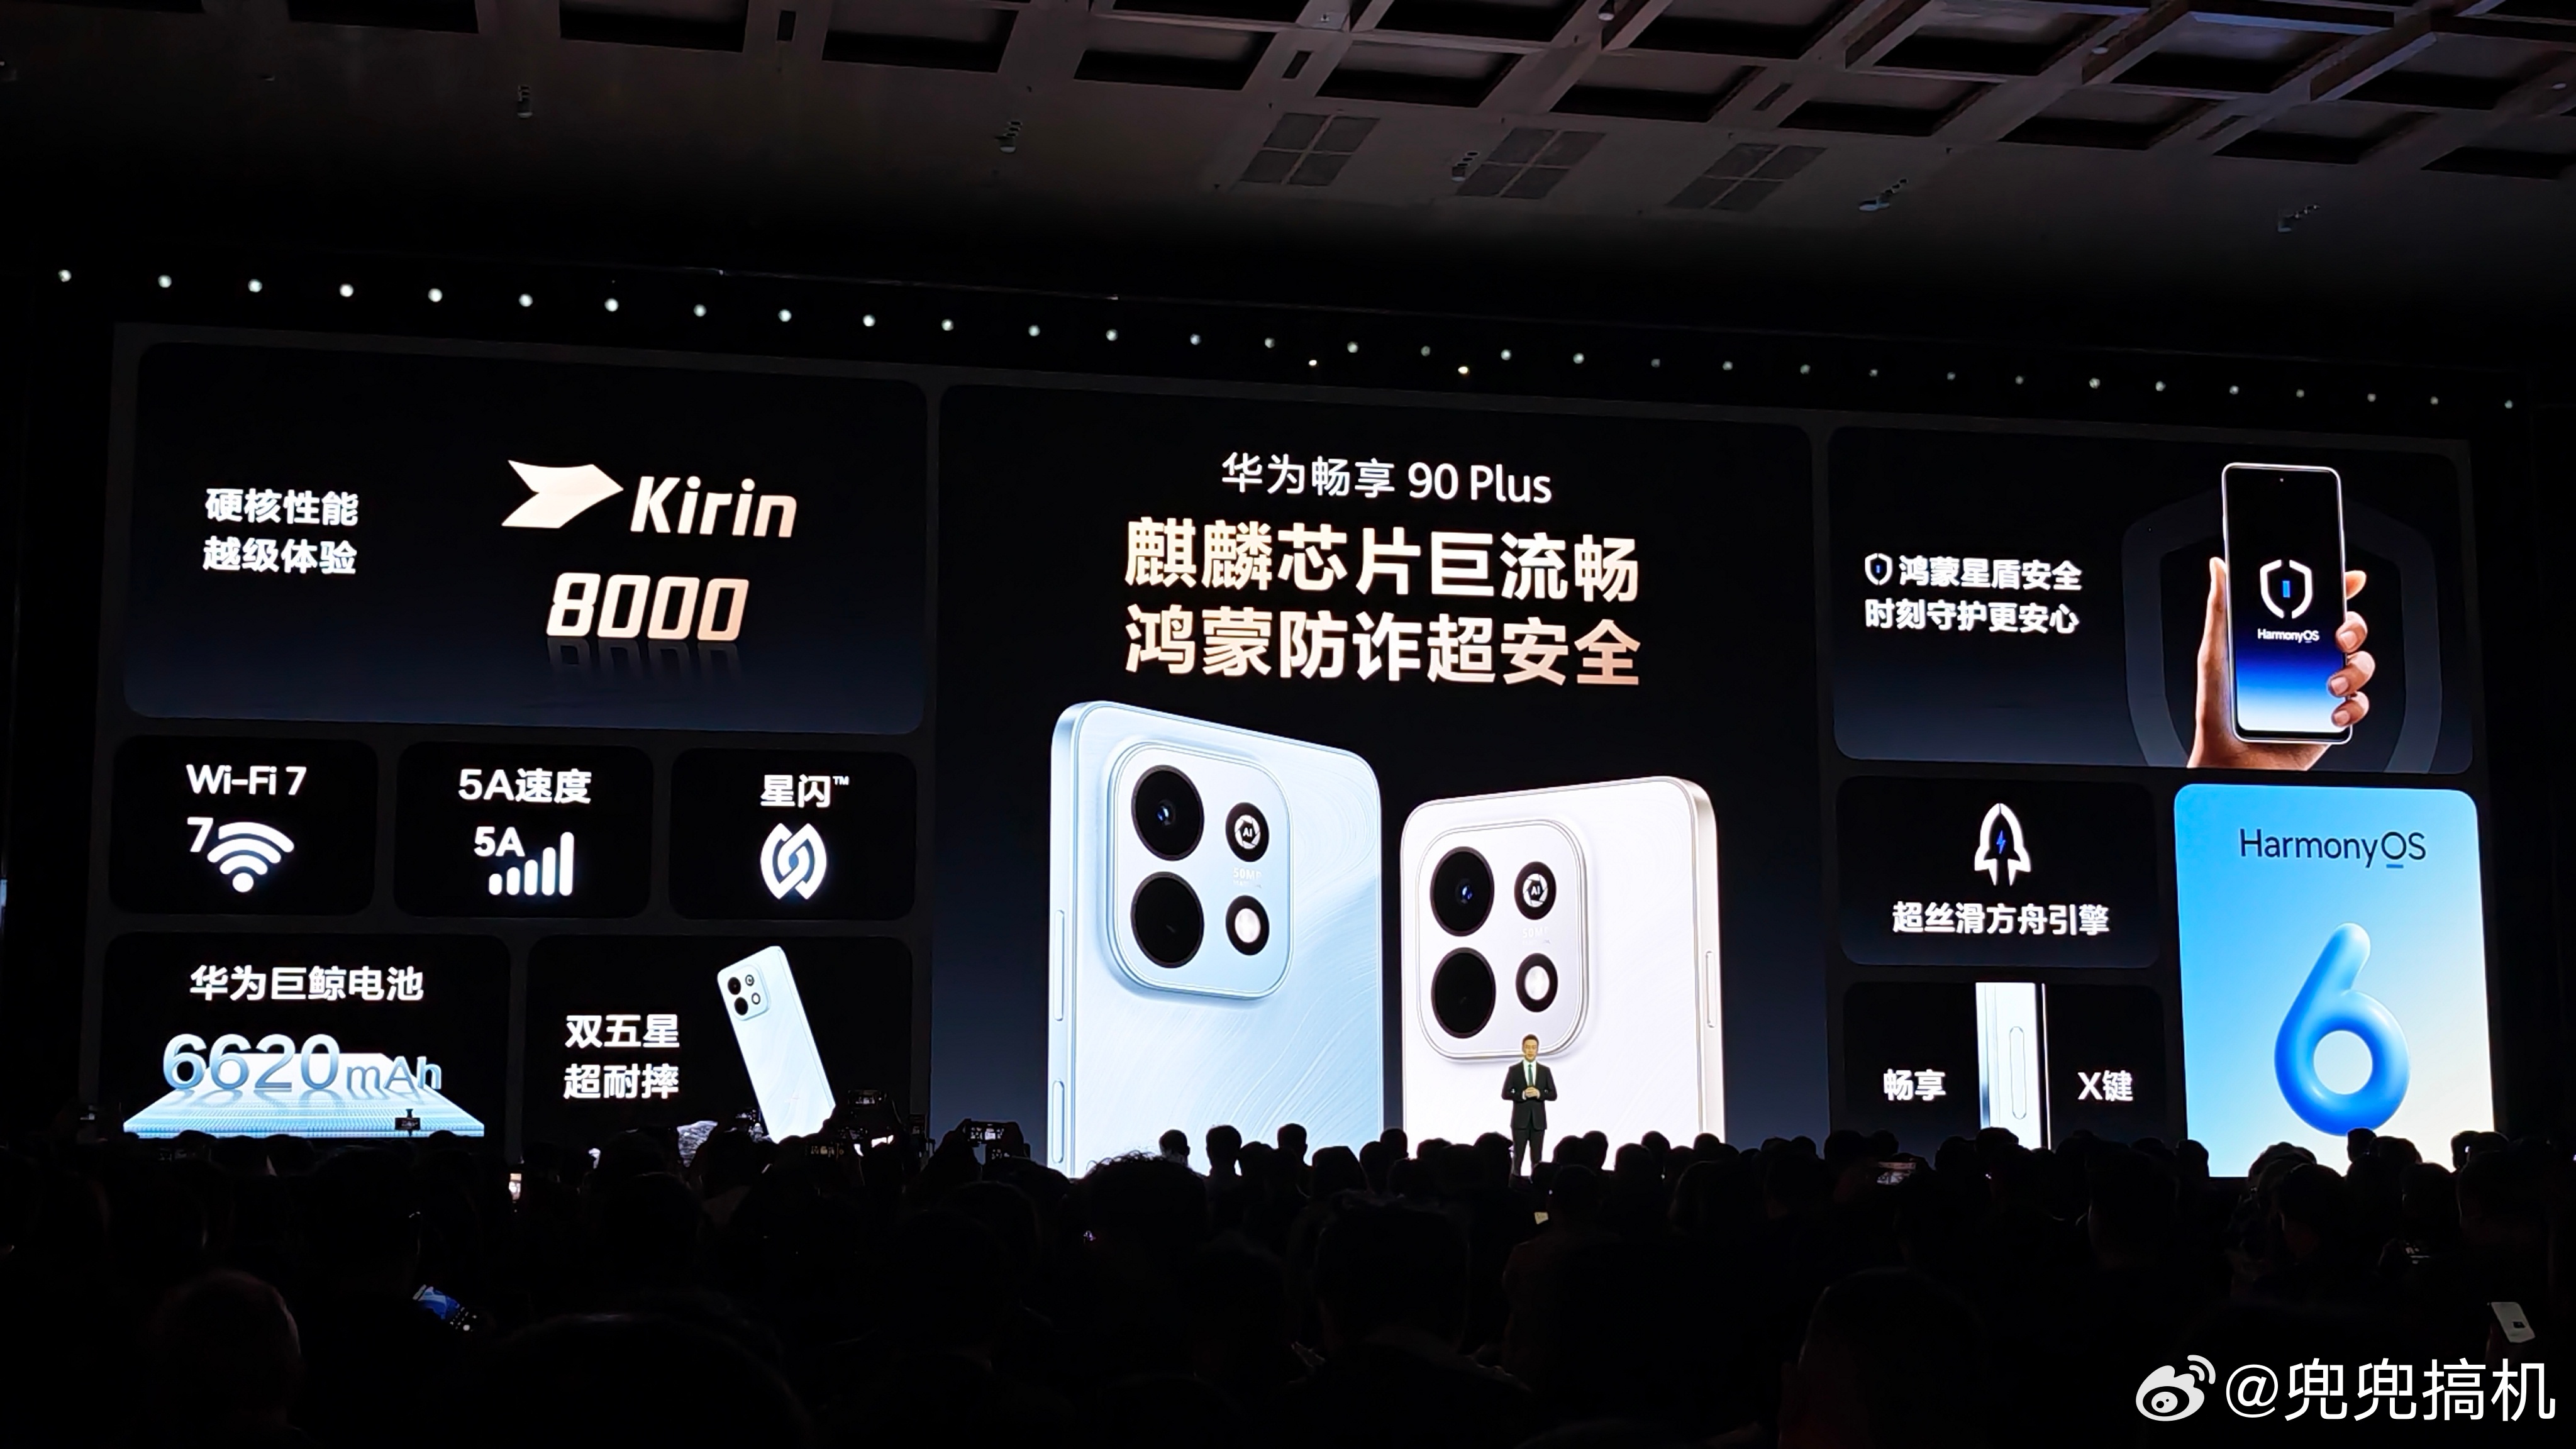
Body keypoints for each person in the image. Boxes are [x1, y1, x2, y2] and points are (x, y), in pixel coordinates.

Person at [1502, 1035, 1556, 1177]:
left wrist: (1539, 1094)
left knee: (1537, 1159)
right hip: (1520, 1122)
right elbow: (1505, 1093)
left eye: (1533, 1048)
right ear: (1523, 1049)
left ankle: (1537, 1185)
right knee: (1517, 1157)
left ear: (1537, 1049)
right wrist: (1522, 1095)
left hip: (1538, 1122)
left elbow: (1553, 1094)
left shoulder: (1545, 1071)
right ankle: (1514, 1183)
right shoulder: (1514, 1070)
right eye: (1528, 1047)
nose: (1531, 1050)